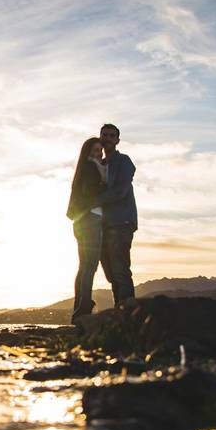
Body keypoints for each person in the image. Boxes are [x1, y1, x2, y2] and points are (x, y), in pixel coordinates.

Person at [93, 123, 137, 307]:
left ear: (117, 140)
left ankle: (128, 314)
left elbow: (120, 191)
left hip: (121, 222)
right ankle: (119, 311)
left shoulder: (124, 161)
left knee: (120, 270)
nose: (108, 138)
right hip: (103, 225)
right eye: (105, 135)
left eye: (112, 135)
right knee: (111, 273)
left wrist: (93, 200)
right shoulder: (99, 164)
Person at [66, 137, 106, 321]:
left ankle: (79, 308)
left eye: (100, 151)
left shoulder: (83, 168)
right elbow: (91, 192)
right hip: (91, 219)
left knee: (83, 266)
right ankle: (83, 308)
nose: (99, 154)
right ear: (88, 151)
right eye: (95, 150)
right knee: (90, 265)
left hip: (80, 221)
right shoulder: (92, 168)